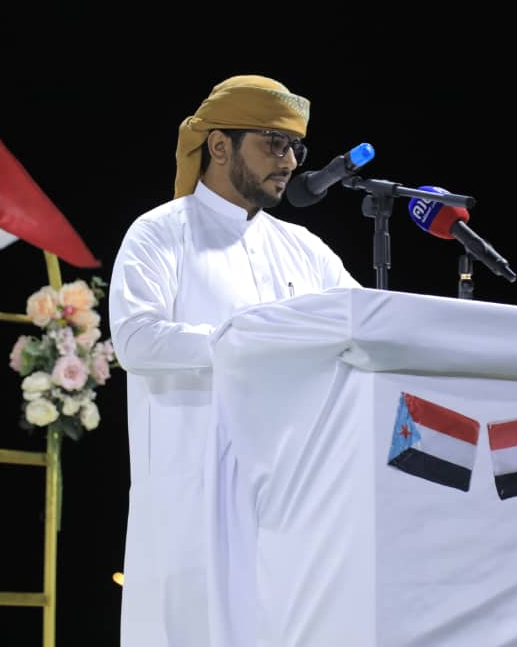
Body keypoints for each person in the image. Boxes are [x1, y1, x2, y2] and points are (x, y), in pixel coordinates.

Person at [108, 75, 361, 646]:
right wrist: (250, 341)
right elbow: (137, 339)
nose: (289, 161)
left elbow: (362, 327)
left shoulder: (304, 249)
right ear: (220, 145)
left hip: (293, 498)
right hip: (192, 501)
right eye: (274, 143)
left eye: (296, 147)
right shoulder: (159, 233)